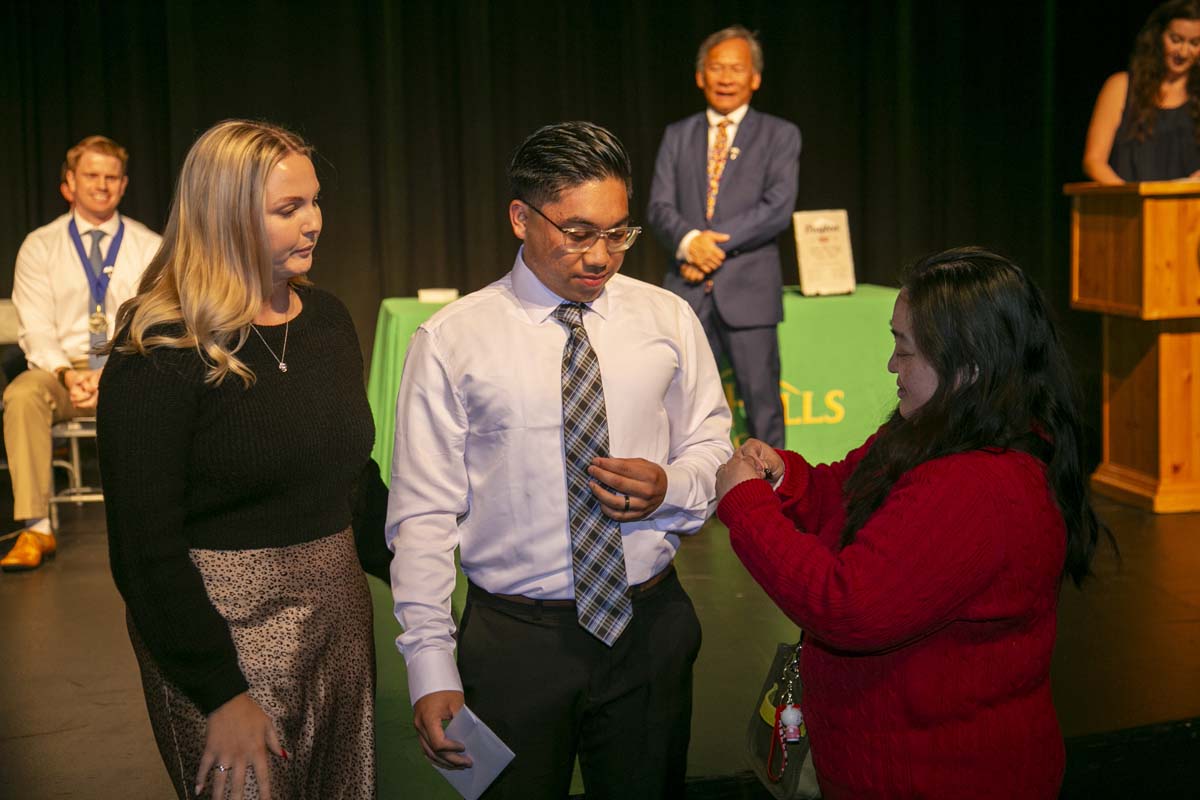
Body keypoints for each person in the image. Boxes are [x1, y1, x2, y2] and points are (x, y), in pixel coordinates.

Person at [388, 121, 733, 799]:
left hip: (649, 629)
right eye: (577, 233)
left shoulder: (667, 318)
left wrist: (671, 485)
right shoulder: (452, 341)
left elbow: (710, 442)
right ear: (521, 218)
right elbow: (423, 517)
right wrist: (430, 664)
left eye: (618, 233)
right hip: (515, 643)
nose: (600, 256)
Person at [715, 247, 1106, 799]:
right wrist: (786, 479)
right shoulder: (936, 430)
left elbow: (846, 606)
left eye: (905, 350)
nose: (891, 366)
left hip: (949, 780)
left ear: (968, 365)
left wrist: (748, 507)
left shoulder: (978, 485)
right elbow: (846, 492)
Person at [97, 120, 377, 800]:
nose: (313, 222)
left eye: (314, 201)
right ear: (225, 217)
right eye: (288, 208)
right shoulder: (161, 351)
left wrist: (439, 573)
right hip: (221, 639)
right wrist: (220, 693)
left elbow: (352, 483)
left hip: (338, 623)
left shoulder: (328, 320)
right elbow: (143, 550)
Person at [1, 136, 160, 571]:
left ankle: (157, 522)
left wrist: (112, 371)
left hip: (128, 364)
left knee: (173, 382)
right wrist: (68, 375)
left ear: (123, 184)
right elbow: (35, 327)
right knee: (22, 394)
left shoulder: (148, 246)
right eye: (91, 175)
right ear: (69, 183)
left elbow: (153, 321)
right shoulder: (40, 246)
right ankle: (36, 528)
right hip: (62, 371)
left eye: (111, 177)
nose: (102, 185)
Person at [648, 25, 800, 449]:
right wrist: (688, 242)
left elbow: (777, 207)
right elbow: (659, 206)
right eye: (717, 68)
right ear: (701, 76)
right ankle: (686, 486)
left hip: (749, 293)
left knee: (763, 407)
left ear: (755, 77)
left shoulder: (780, 134)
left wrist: (709, 247)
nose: (726, 77)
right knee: (680, 406)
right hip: (687, 290)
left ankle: (774, 487)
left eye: (737, 68)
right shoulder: (677, 135)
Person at [1083, 0, 1200, 183]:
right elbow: (1094, 161)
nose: (1184, 52)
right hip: (1126, 199)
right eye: (1176, 40)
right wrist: (1131, 196)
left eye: (1194, 43)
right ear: (1158, 36)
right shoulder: (1121, 87)